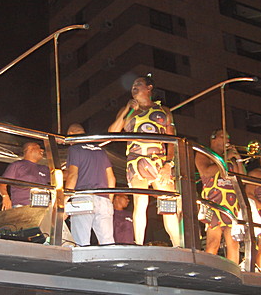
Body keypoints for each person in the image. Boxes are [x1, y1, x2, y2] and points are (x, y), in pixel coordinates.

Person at [108, 74, 181, 246]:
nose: (134, 87)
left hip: (159, 161)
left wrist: (168, 163)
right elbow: (112, 132)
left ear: (149, 88)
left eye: (138, 84)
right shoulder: (128, 111)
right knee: (140, 201)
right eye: (133, 85)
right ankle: (139, 243)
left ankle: (178, 244)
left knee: (168, 203)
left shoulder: (164, 111)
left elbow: (172, 140)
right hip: (136, 161)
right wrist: (127, 109)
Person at [195, 130, 245, 264]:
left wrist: (238, 159)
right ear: (213, 138)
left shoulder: (230, 158)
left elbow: (242, 179)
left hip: (232, 205)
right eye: (223, 137)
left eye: (228, 137)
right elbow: (206, 172)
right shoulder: (204, 153)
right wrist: (225, 158)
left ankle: (233, 272)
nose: (227, 140)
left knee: (233, 244)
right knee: (213, 242)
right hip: (213, 202)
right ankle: (207, 270)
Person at [64, 123, 116, 246]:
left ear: (71, 134)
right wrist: (109, 199)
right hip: (104, 199)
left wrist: (64, 199)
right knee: (108, 243)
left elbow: (72, 175)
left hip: (83, 198)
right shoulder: (100, 150)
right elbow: (111, 178)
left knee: (81, 242)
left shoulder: (75, 149)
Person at [0, 142, 50, 209]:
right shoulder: (17, 165)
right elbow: (1, 184)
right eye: (38, 148)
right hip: (22, 206)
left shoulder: (44, 168)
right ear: (30, 148)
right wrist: (5, 196)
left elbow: (59, 178)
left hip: (43, 207)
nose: (42, 150)